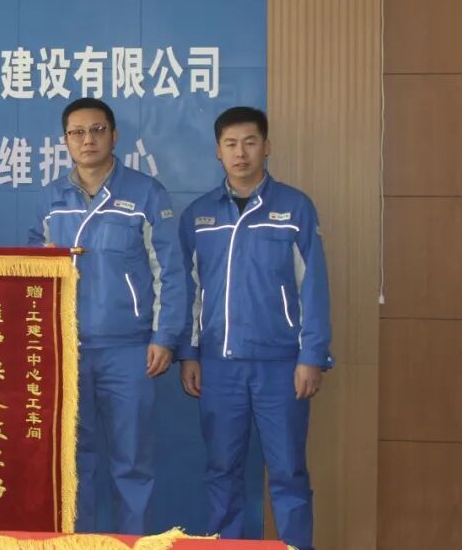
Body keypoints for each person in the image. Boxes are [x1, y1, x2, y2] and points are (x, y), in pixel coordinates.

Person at [28, 98, 186, 534]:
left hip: (130, 349)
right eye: (77, 132)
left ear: (114, 136)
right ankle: (79, 541)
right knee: (74, 461)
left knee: (132, 461)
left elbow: (170, 271)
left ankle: (133, 542)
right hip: (68, 349)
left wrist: (165, 337)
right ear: (65, 141)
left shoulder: (145, 193)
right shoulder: (50, 199)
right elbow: (33, 274)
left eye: (97, 130)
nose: (88, 140)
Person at [177, 106, 332, 550]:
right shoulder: (199, 216)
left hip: (281, 366)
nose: (240, 153)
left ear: (267, 146)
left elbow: (313, 288)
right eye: (230, 144)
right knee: (222, 470)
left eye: (250, 142)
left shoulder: (295, 208)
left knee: (287, 471)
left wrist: (312, 356)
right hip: (219, 366)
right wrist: (189, 354)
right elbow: (189, 292)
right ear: (218, 151)